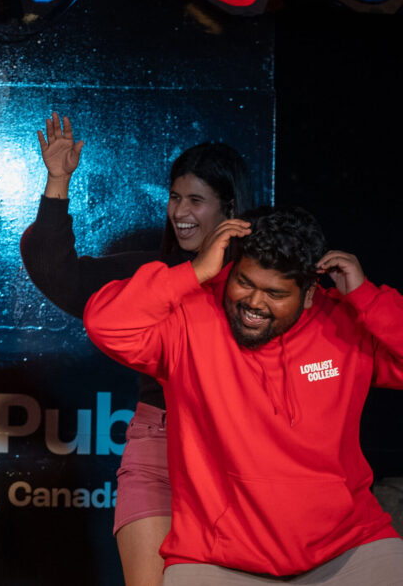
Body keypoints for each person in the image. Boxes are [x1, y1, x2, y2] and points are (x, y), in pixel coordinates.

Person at [84, 206, 403, 584]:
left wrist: (367, 298)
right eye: (245, 282)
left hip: (347, 547)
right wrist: (194, 272)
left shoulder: (342, 323)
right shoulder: (192, 317)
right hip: (217, 558)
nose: (254, 302)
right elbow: (104, 323)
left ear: (308, 294)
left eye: (275, 293)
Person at [20, 112, 251, 586]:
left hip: (232, 452)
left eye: (196, 200)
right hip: (156, 446)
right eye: (175, 197)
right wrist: (58, 182)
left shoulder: (258, 284)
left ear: (230, 209)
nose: (180, 212)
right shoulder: (154, 274)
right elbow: (58, 273)